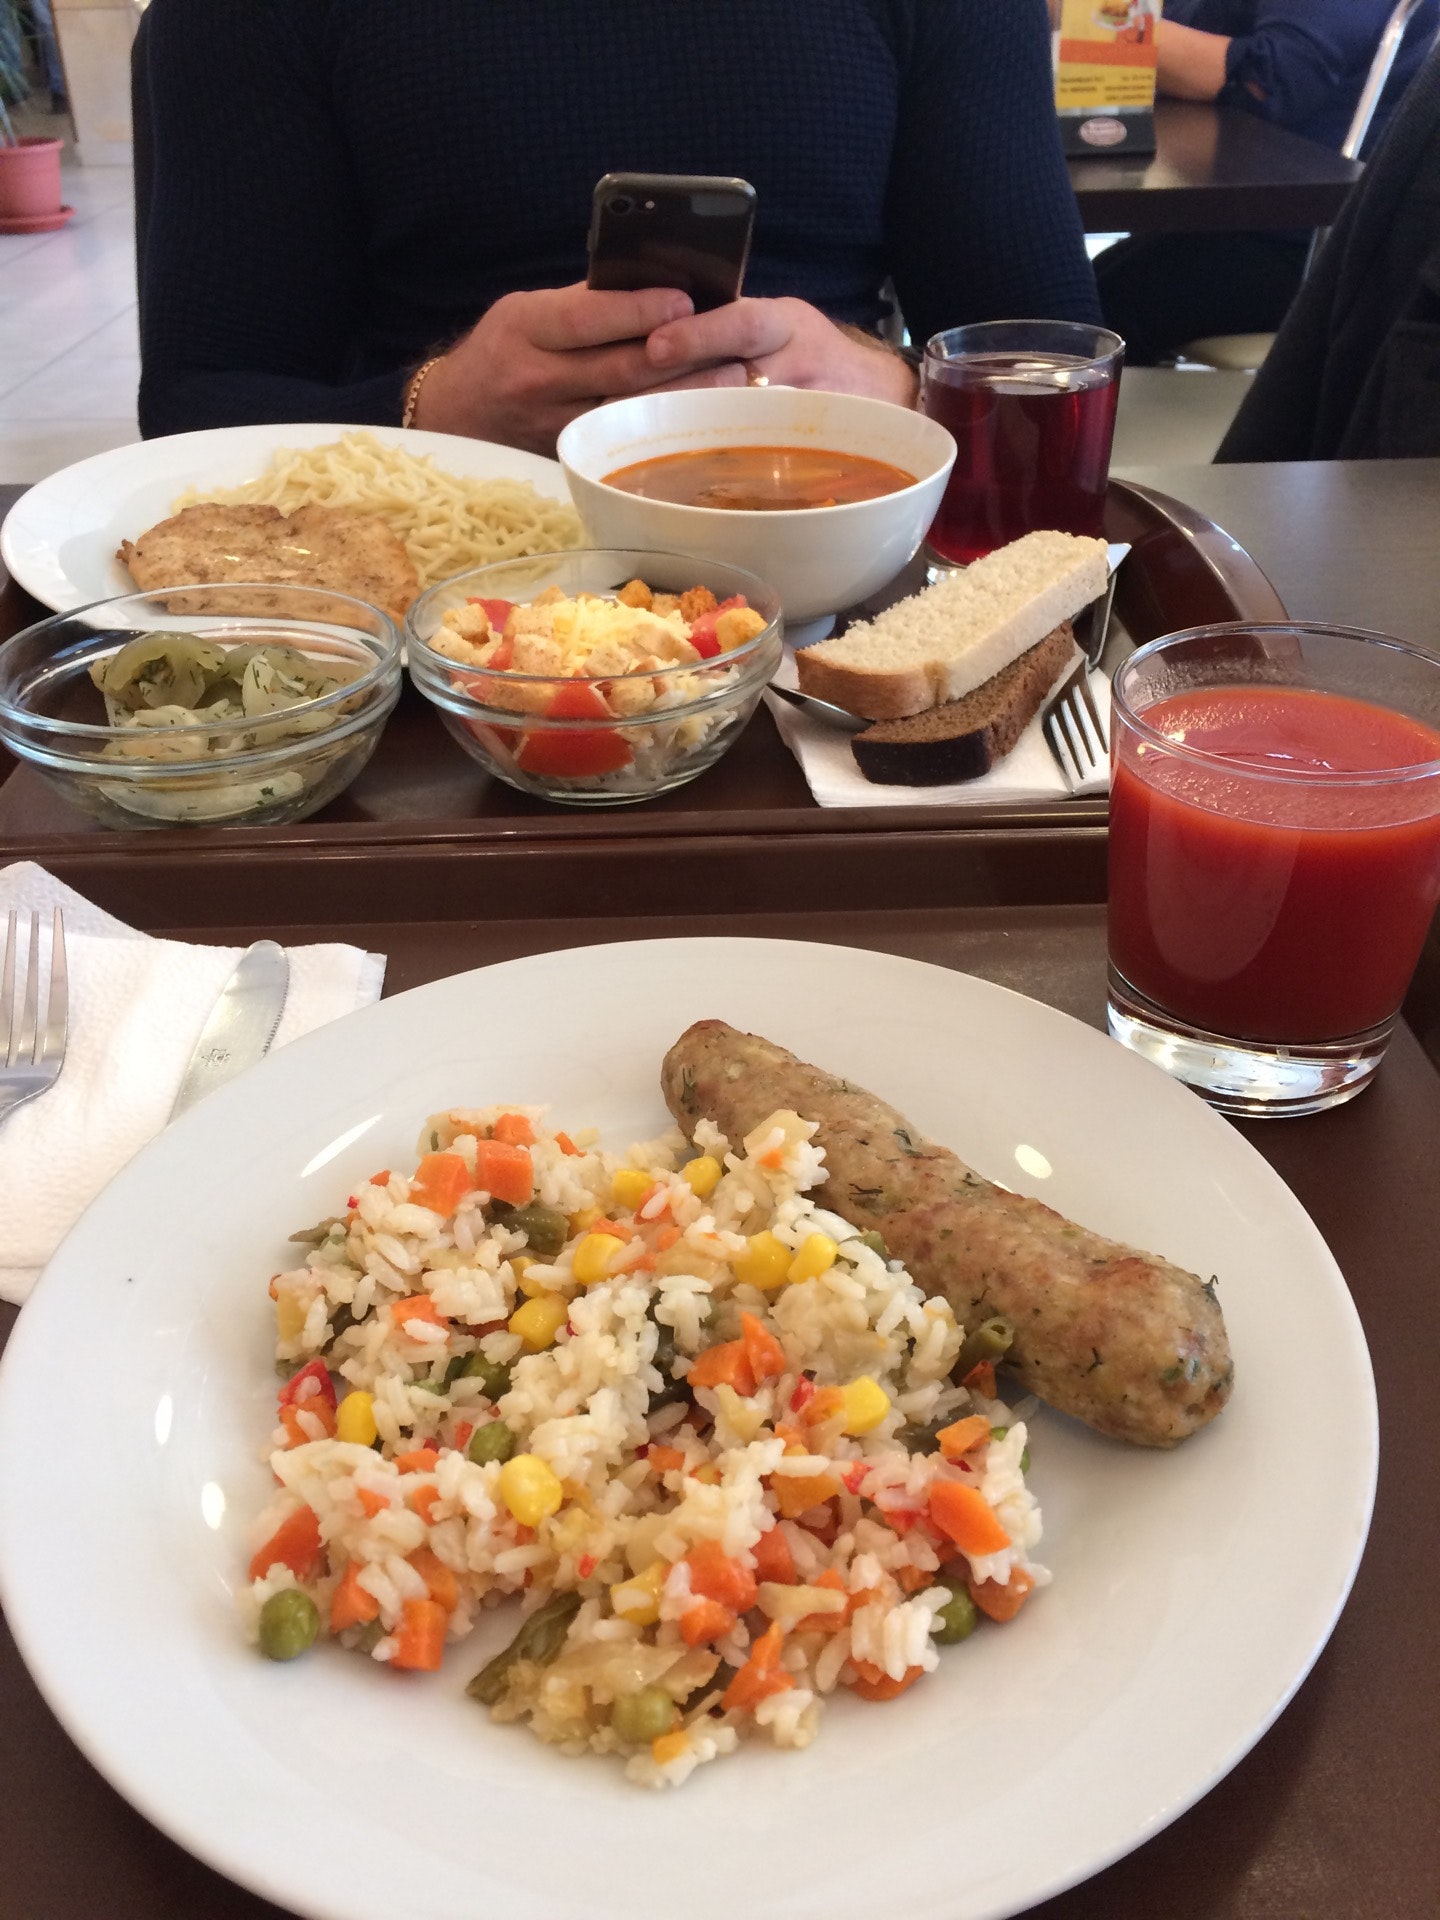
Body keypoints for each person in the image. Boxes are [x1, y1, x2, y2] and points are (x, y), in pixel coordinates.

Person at [134, 0, 1100, 455]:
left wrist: (884, 386)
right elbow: (195, 405)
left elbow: (1057, 371)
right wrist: (431, 406)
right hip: (426, 590)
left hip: (835, 562)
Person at [1095, 0, 1440, 363]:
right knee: (1082, 296)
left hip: (1313, 245)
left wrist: (1092, 23)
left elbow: (1266, 79)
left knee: (1090, 316)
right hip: (1248, 217)